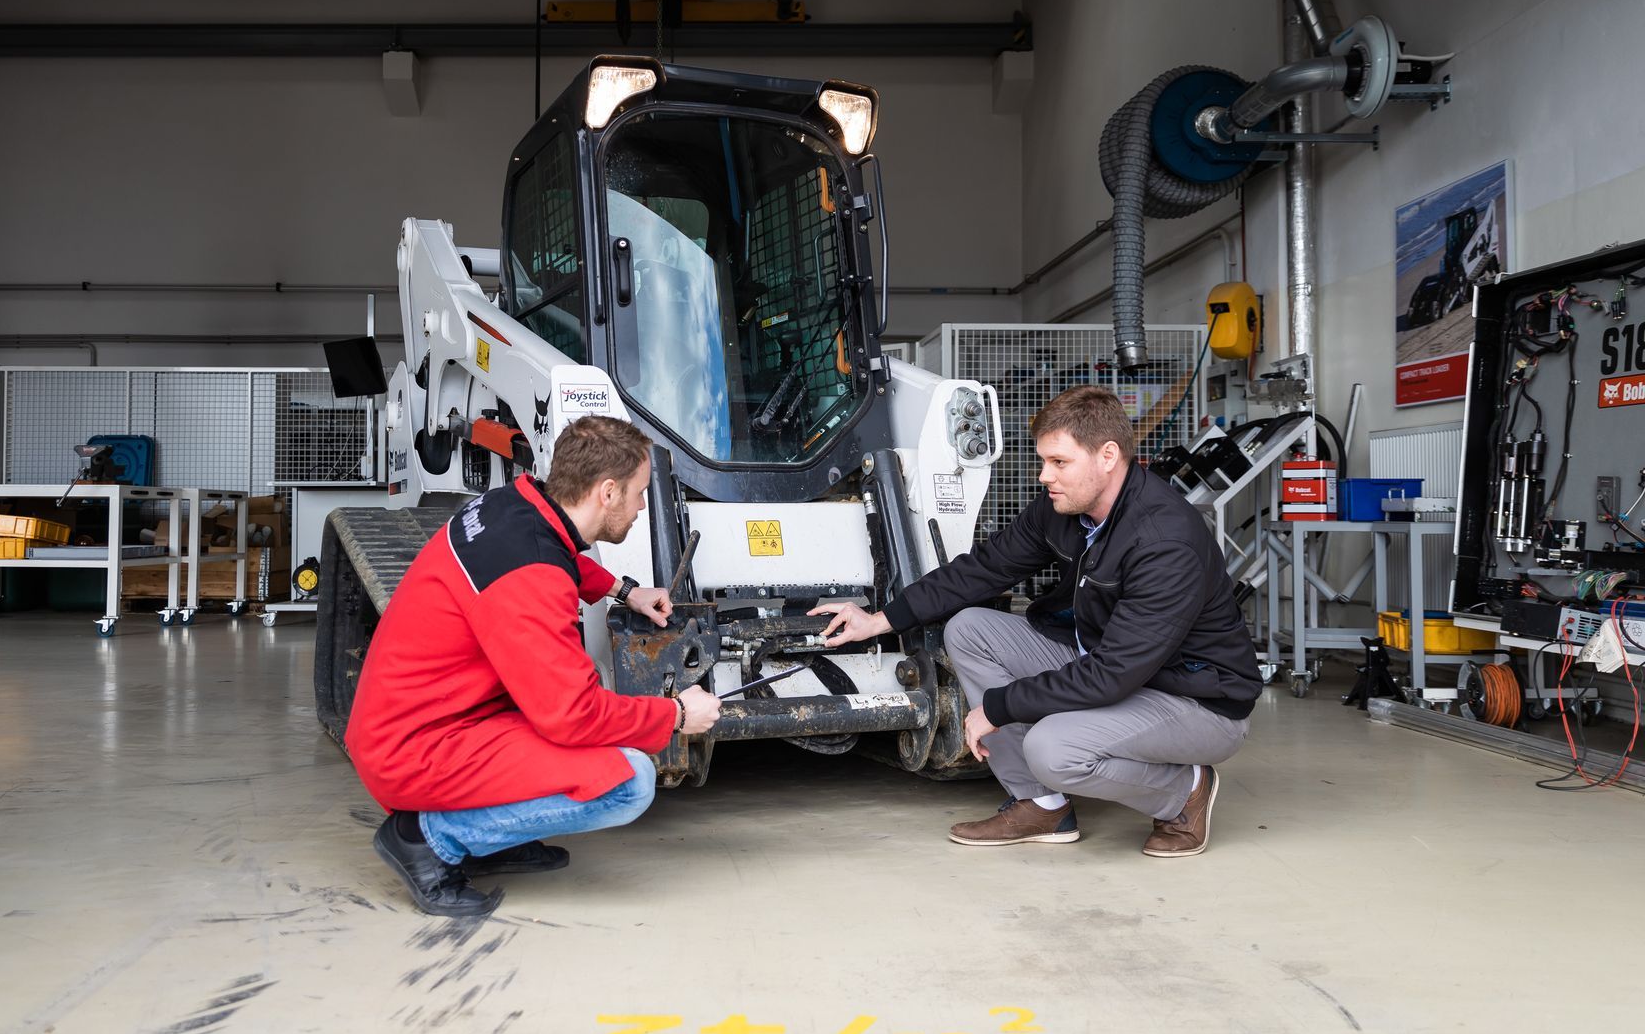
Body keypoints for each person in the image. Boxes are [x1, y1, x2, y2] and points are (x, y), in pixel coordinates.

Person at [811, 385, 1260, 857]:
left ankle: (1185, 792)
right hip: (1111, 664)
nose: (1045, 476)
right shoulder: (1065, 508)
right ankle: (1041, 804)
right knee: (970, 629)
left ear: (1108, 456)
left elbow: (1112, 674)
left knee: (1053, 749)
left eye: (1059, 462)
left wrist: (999, 707)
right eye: (1043, 460)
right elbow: (984, 569)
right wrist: (879, 619)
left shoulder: (1164, 542)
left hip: (1195, 700)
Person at [349, 415, 722, 915]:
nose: (640, 506)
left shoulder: (510, 505)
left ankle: (492, 838)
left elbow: (554, 550)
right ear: (608, 492)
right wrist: (676, 715)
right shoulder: (532, 580)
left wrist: (624, 591)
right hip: (417, 750)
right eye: (638, 494)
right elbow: (573, 714)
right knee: (628, 781)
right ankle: (426, 837)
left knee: (586, 737)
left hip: (414, 720)